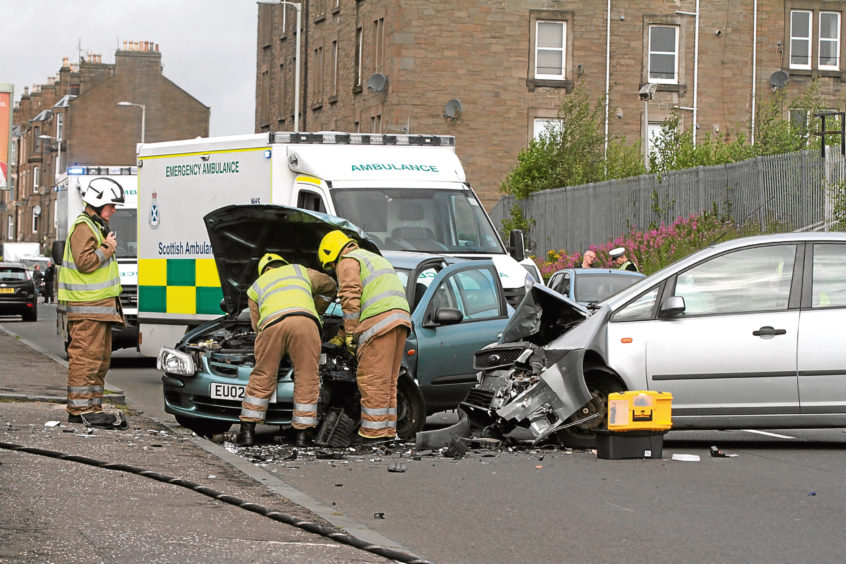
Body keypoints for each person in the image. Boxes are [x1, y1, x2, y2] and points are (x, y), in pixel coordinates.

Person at [318, 230, 411, 443]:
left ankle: (373, 434)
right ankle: (387, 432)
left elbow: (350, 301)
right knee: (388, 382)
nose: (334, 270)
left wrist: (351, 335)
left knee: (372, 380)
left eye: (330, 266)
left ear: (331, 254)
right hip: (399, 320)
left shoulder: (347, 262)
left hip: (378, 323)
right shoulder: (375, 259)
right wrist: (342, 334)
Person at [235, 253, 337, 447]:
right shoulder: (299, 271)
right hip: (305, 323)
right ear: (283, 263)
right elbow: (330, 285)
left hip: (272, 325)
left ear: (263, 270)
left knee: (263, 375)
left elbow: (257, 327)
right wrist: (317, 308)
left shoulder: (256, 286)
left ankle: (247, 431)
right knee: (307, 376)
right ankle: (302, 435)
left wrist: (273, 346)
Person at [58, 177, 126, 428]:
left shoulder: (94, 226)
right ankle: (81, 409)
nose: (114, 210)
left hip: (98, 309)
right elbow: (85, 262)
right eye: (110, 205)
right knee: (86, 359)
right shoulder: (84, 227)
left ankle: (92, 407)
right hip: (89, 308)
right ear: (96, 203)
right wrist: (107, 247)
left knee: (98, 360)